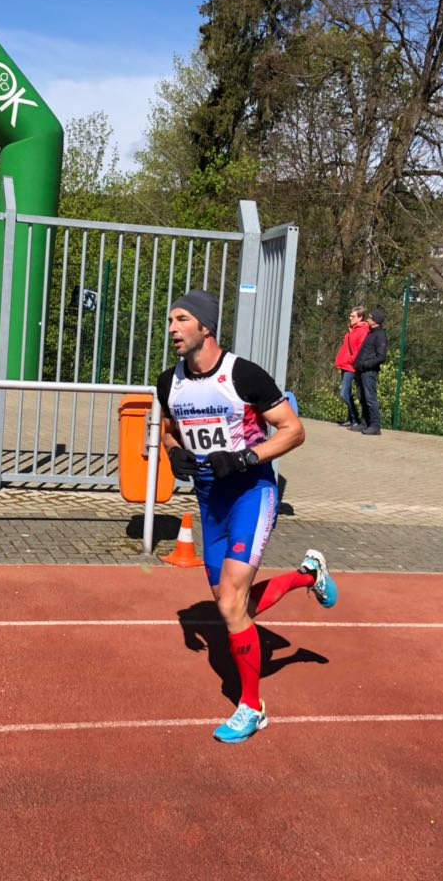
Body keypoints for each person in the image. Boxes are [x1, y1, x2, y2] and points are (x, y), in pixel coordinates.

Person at [158, 289, 338, 744]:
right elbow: (168, 429)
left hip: (251, 494)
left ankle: (252, 707)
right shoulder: (169, 382)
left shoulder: (243, 375)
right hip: (210, 499)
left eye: (181, 319)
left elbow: (293, 430)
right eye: (171, 320)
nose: (173, 328)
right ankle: (308, 575)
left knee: (231, 602)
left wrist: (244, 458)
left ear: (206, 326)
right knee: (231, 604)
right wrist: (175, 453)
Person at [352, 307, 388, 435]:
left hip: (369, 372)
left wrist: (365, 364)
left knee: (370, 398)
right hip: (361, 371)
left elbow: (381, 357)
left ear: (376, 321)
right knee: (362, 397)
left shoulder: (380, 336)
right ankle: (365, 423)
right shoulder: (371, 333)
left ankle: (375, 426)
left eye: (370, 318)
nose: (367, 319)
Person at [334, 306, 369, 427]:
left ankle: (355, 419)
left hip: (350, 366)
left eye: (353, 316)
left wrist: (349, 360)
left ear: (360, 317)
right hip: (345, 364)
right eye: (350, 315)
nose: (350, 318)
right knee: (347, 393)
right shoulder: (351, 329)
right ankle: (351, 418)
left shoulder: (363, 331)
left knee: (344, 394)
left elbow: (359, 350)